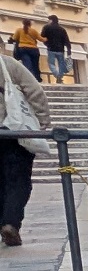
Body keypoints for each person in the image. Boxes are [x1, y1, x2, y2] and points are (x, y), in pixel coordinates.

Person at [0, 54, 51, 246]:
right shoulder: (8, 64)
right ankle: (10, 223)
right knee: (18, 180)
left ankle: (3, 222)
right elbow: (35, 91)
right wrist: (42, 120)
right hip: (13, 131)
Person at [39, 16, 70, 83]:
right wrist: (69, 49)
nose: (48, 21)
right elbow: (66, 40)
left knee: (51, 64)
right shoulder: (62, 29)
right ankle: (60, 77)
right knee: (61, 64)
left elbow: (42, 36)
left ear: (51, 20)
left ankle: (57, 76)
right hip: (60, 50)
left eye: (49, 20)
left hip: (51, 49)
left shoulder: (46, 27)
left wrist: (46, 43)